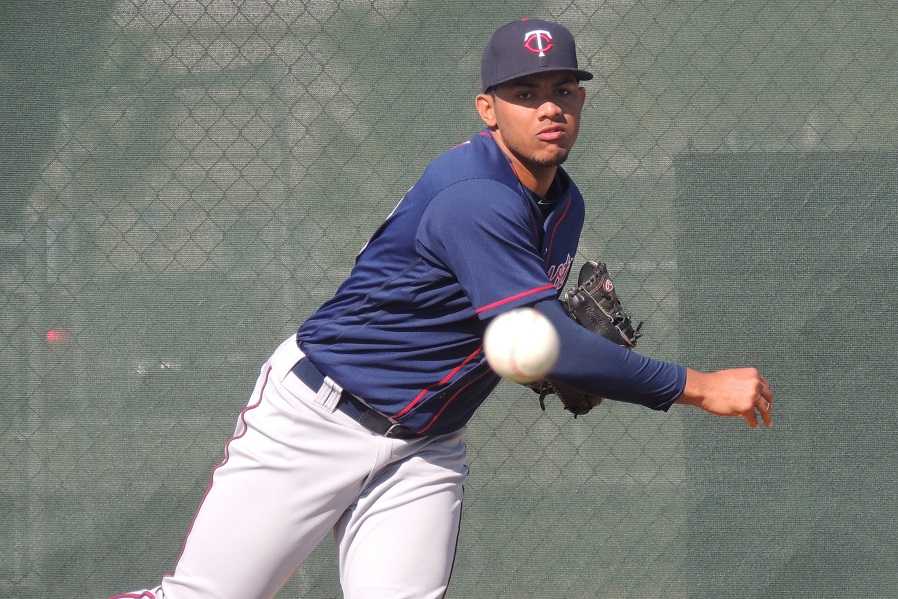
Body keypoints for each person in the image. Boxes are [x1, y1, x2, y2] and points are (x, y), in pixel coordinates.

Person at [112, 18, 772, 599]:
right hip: (318, 416)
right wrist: (700, 386)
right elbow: (545, 334)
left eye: (563, 90)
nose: (549, 107)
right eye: (525, 93)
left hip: (424, 443)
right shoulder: (475, 196)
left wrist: (542, 361)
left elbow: (509, 332)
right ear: (488, 109)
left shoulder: (564, 204)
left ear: (581, 100)